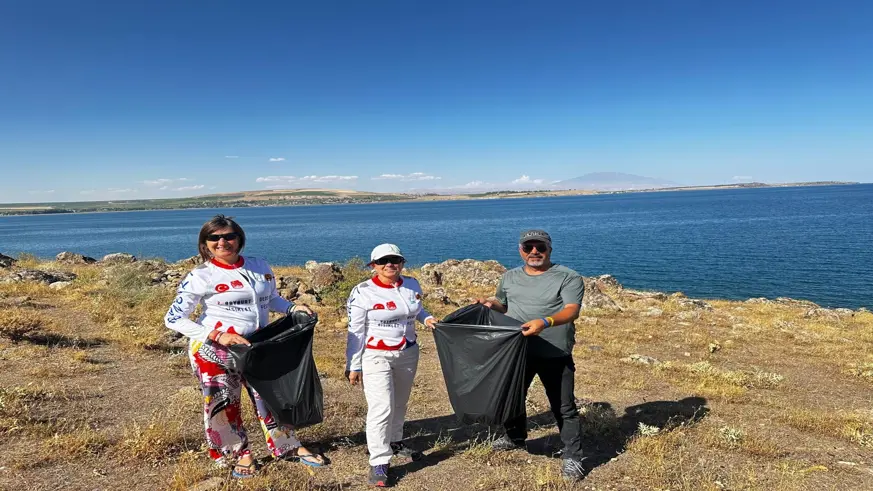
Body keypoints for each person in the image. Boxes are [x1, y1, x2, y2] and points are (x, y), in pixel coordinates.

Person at [164, 214, 325, 479]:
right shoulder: (200, 275)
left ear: (239, 238)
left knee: (271, 396)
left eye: (229, 236)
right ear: (205, 243)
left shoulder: (259, 266)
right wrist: (216, 334)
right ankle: (238, 453)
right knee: (223, 402)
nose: (222, 242)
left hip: (258, 345)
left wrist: (293, 307)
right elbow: (173, 318)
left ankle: (286, 446)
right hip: (215, 351)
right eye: (214, 238)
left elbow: (271, 299)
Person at [477, 229, 587, 481]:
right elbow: (506, 305)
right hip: (516, 350)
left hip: (554, 352)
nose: (534, 252)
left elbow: (571, 310)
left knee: (564, 406)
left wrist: (545, 321)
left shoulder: (567, 277)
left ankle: (573, 456)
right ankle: (515, 438)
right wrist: (493, 305)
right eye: (529, 247)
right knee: (513, 397)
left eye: (540, 247)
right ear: (521, 250)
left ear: (549, 249)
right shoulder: (509, 276)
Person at [345, 243, 438, 487]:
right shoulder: (363, 291)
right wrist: (354, 364)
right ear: (373, 265)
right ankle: (379, 461)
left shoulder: (411, 284)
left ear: (402, 263)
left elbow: (415, 308)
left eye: (395, 259)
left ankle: (395, 440)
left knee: (400, 402)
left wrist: (426, 317)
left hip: (408, 351)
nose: (390, 264)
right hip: (376, 355)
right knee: (381, 407)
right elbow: (355, 330)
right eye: (383, 260)